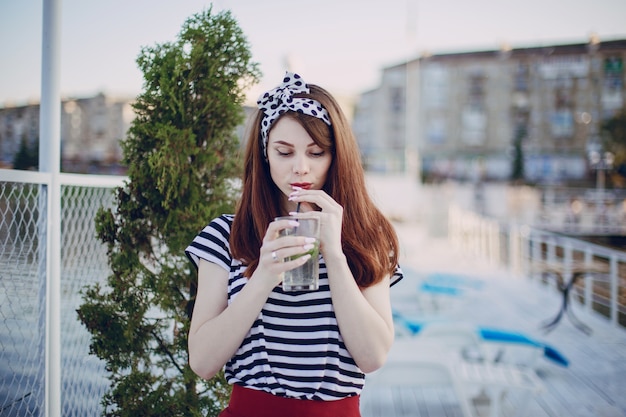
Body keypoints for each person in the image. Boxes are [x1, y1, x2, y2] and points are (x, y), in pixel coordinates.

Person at [185, 72, 403, 417]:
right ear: (265, 154)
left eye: (316, 152)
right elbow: (202, 362)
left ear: (337, 157)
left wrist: (334, 253)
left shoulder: (366, 234)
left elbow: (373, 356)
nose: (301, 168)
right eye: (284, 152)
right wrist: (263, 275)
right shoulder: (226, 236)